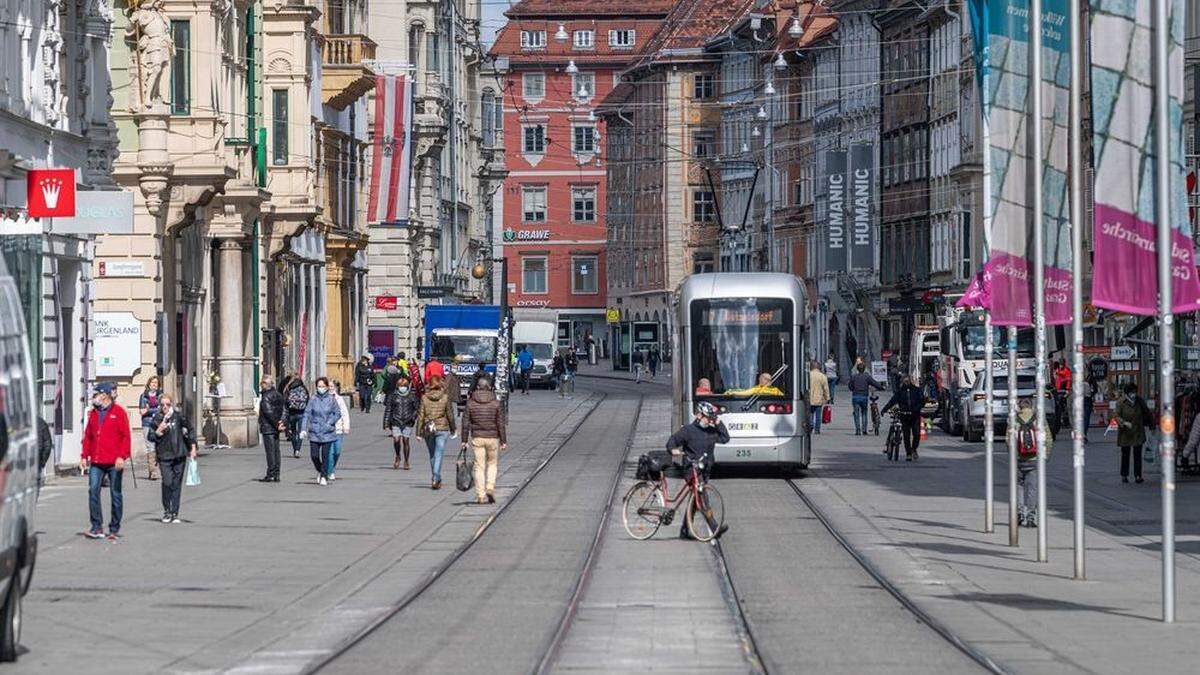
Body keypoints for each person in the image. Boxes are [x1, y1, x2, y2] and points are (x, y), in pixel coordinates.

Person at [665, 401, 729, 540]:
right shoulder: (688, 430)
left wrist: (718, 422)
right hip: (691, 470)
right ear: (699, 415)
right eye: (707, 417)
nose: (709, 420)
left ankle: (684, 530)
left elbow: (725, 438)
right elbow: (672, 441)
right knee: (702, 498)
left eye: (711, 418)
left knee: (695, 500)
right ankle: (714, 527)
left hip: (705, 469)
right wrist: (673, 450)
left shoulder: (711, 431)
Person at [81, 383, 131, 540]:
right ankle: (96, 527)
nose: (94, 397)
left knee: (115, 494)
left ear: (105, 395)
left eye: (96, 394)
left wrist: (122, 456)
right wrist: (84, 456)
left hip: (114, 461)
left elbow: (125, 437)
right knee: (93, 490)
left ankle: (114, 528)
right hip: (96, 461)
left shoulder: (119, 412)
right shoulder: (94, 413)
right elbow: (88, 436)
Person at [146, 394, 198, 523]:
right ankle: (166, 510)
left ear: (172, 405)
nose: (165, 407)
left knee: (176, 484)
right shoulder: (157, 418)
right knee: (167, 482)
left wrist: (193, 447)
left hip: (179, 453)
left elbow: (190, 429)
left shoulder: (178, 416)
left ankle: (174, 512)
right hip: (164, 455)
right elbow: (150, 436)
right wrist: (158, 430)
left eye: (168, 404)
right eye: (163, 404)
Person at [461, 376, 507, 504]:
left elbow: (465, 423)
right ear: (489, 387)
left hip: (477, 438)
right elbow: (500, 423)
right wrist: (503, 441)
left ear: (477, 387)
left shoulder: (470, 402)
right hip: (493, 438)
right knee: (492, 464)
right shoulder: (496, 403)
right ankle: (490, 487)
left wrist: (464, 440)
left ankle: (480, 495)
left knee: (479, 466)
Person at [1011, 399, 1048, 527]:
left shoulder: (1014, 419)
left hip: (1018, 460)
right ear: (1031, 406)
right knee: (1032, 489)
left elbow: (1008, 440)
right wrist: (1044, 456)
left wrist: (1013, 455)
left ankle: (1020, 514)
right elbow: (1048, 439)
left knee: (1019, 487)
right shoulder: (1039, 419)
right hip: (1034, 459)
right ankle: (1031, 517)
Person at [415, 375, 456, 489]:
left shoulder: (424, 397)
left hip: (428, 428)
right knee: (439, 453)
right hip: (442, 428)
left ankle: (436, 477)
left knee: (432, 454)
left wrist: (418, 433)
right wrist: (453, 429)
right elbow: (450, 415)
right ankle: (436, 477)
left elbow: (421, 415)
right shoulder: (445, 397)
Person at [300, 377, 342, 486]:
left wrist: (330, 422)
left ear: (327, 387)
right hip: (314, 431)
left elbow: (337, 413)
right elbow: (306, 414)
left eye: (323, 386)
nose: (321, 388)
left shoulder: (331, 399)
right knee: (314, 456)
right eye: (319, 386)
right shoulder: (313, 399)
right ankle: (319, 470)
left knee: (325, 455)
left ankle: (324, 476)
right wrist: (303, 429)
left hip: (327, 432)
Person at [1114, 382, 1152, 484]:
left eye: (1135, 392)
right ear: (1127, 393)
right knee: (1125, 454)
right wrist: (1124, 422)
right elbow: (1116, 416)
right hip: (1125, 432)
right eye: (1132, 392)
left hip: (1137, 430)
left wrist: (1151, 425)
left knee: (1137, 454)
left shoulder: (1139, 401)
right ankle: (1124, 475)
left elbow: (1147, 412)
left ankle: (1138, 475)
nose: (1134, 394)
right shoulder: (1121, 402)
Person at [881, 375, 925, 460]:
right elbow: (892, 401)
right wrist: (884, 409)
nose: (906, 383)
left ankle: (914, 449)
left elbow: (922, 401)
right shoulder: (900, 392)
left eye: (907, 381)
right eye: (905, 382)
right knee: (906, 435)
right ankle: (908, 453)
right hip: (904, 416)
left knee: (916, 434)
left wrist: (917, 408)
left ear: (910, 381)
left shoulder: (916, 390)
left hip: (915, 415)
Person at [385, 375, 418, 469]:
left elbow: (417, 408)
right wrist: (386, 423)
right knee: (396, 440)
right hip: (396, 420)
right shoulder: (393, 396)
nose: (402, 387)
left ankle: (406, 461)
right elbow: (388, 410)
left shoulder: (412, 396)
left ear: (407, 386)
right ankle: (398, 456)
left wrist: (413, 417)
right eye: (400, 386)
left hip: (408, 421)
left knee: (406, 440)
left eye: (403, 386)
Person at [258, 375, 285, 482]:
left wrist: (276, 424)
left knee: (270, 452)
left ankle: (271, 473)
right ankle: (277, 473)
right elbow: (284, 410)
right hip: (276, 427)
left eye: (261, 384)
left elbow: (268, 412)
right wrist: (281, 422)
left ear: (265, 384)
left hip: (268, 427)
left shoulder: (266, 397)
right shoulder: (278, 395)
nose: (261, 386)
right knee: (276, 451)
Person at [847, 362, 885, 435]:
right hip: (864, 397)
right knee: (864, 413)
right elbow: (875, 383)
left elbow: (850, 386)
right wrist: (881, 388)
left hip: (855, 396)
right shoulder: (867, 377)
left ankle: (858, 430)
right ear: (864, 369)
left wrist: (854, 390)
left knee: (856, 414)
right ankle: (864, 430)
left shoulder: (854, 376)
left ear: (857, 369)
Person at [138, 376, 163, 480]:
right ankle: (153, 472)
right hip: (147, 424)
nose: (154, 384)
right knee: (150, 447)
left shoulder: (161, 396)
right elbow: (142, 411)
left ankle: (156, 469)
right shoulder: (143, 396)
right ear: (149, 384)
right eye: (152, 382)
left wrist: (148, 410)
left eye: (156, 383)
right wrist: (154, 410)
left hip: (158, 424)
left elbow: (161, 409)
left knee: (158, 447)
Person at [327, 381, 352, 481]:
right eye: (328, 386)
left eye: (332, 386)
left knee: (337, 451)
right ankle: (330, 471)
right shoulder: (323, 399)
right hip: (328, 430)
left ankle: (331, 467)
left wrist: (346, 426)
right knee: (330, 452)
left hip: (339, 429)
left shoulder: (339, 399)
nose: (330, 388)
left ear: (336, 388)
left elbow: (344, 414)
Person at [283, 373, 309, 458]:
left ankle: (295, 449)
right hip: (301, 412)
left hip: (291, 412)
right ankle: (298, 450)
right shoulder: (303, 387)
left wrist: (287, 410)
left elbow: (285, 400)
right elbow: (307, 398)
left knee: (293, 432)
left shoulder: (288, 387)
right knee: (301, 432)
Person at [808, 361, 830, 434]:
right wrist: (827, 398)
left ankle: (810, 425)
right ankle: (817, 429)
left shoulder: (808, 375)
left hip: (809, 398)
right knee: (818, 415)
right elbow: (825, 388)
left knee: (810, 413)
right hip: (819, 398)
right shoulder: (822, 376)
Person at [1081, 375, 1097, 443]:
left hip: (1083, 400)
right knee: (1086, 419)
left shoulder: (1084, 383)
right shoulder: (1087, 383)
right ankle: (1084, 434)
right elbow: (1094, 391)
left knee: (1084, 419)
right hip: (1087, 400)